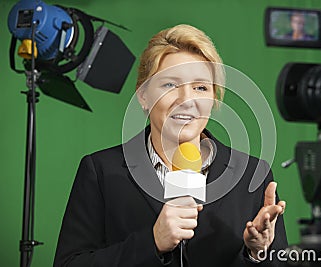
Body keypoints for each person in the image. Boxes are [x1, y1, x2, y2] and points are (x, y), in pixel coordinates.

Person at [54, 24, 287, 267]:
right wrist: (152, 242)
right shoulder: (101, 170)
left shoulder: (252, 174)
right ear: (143, 96)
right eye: (170, 85)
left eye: (200, 87)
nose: (187, 101)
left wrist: (257, 253)